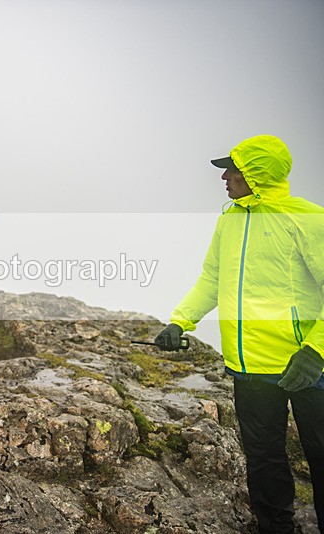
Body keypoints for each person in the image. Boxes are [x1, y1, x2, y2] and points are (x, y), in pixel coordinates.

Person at [155, 135, 324, 533]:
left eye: (233, 170)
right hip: (249, 365)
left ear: (256, 174)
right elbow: (212, 279)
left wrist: (316, 350)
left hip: (307, 366)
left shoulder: (308, 219)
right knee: (264, 459)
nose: (225, 178)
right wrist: (180, 320)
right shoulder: (229, 220)